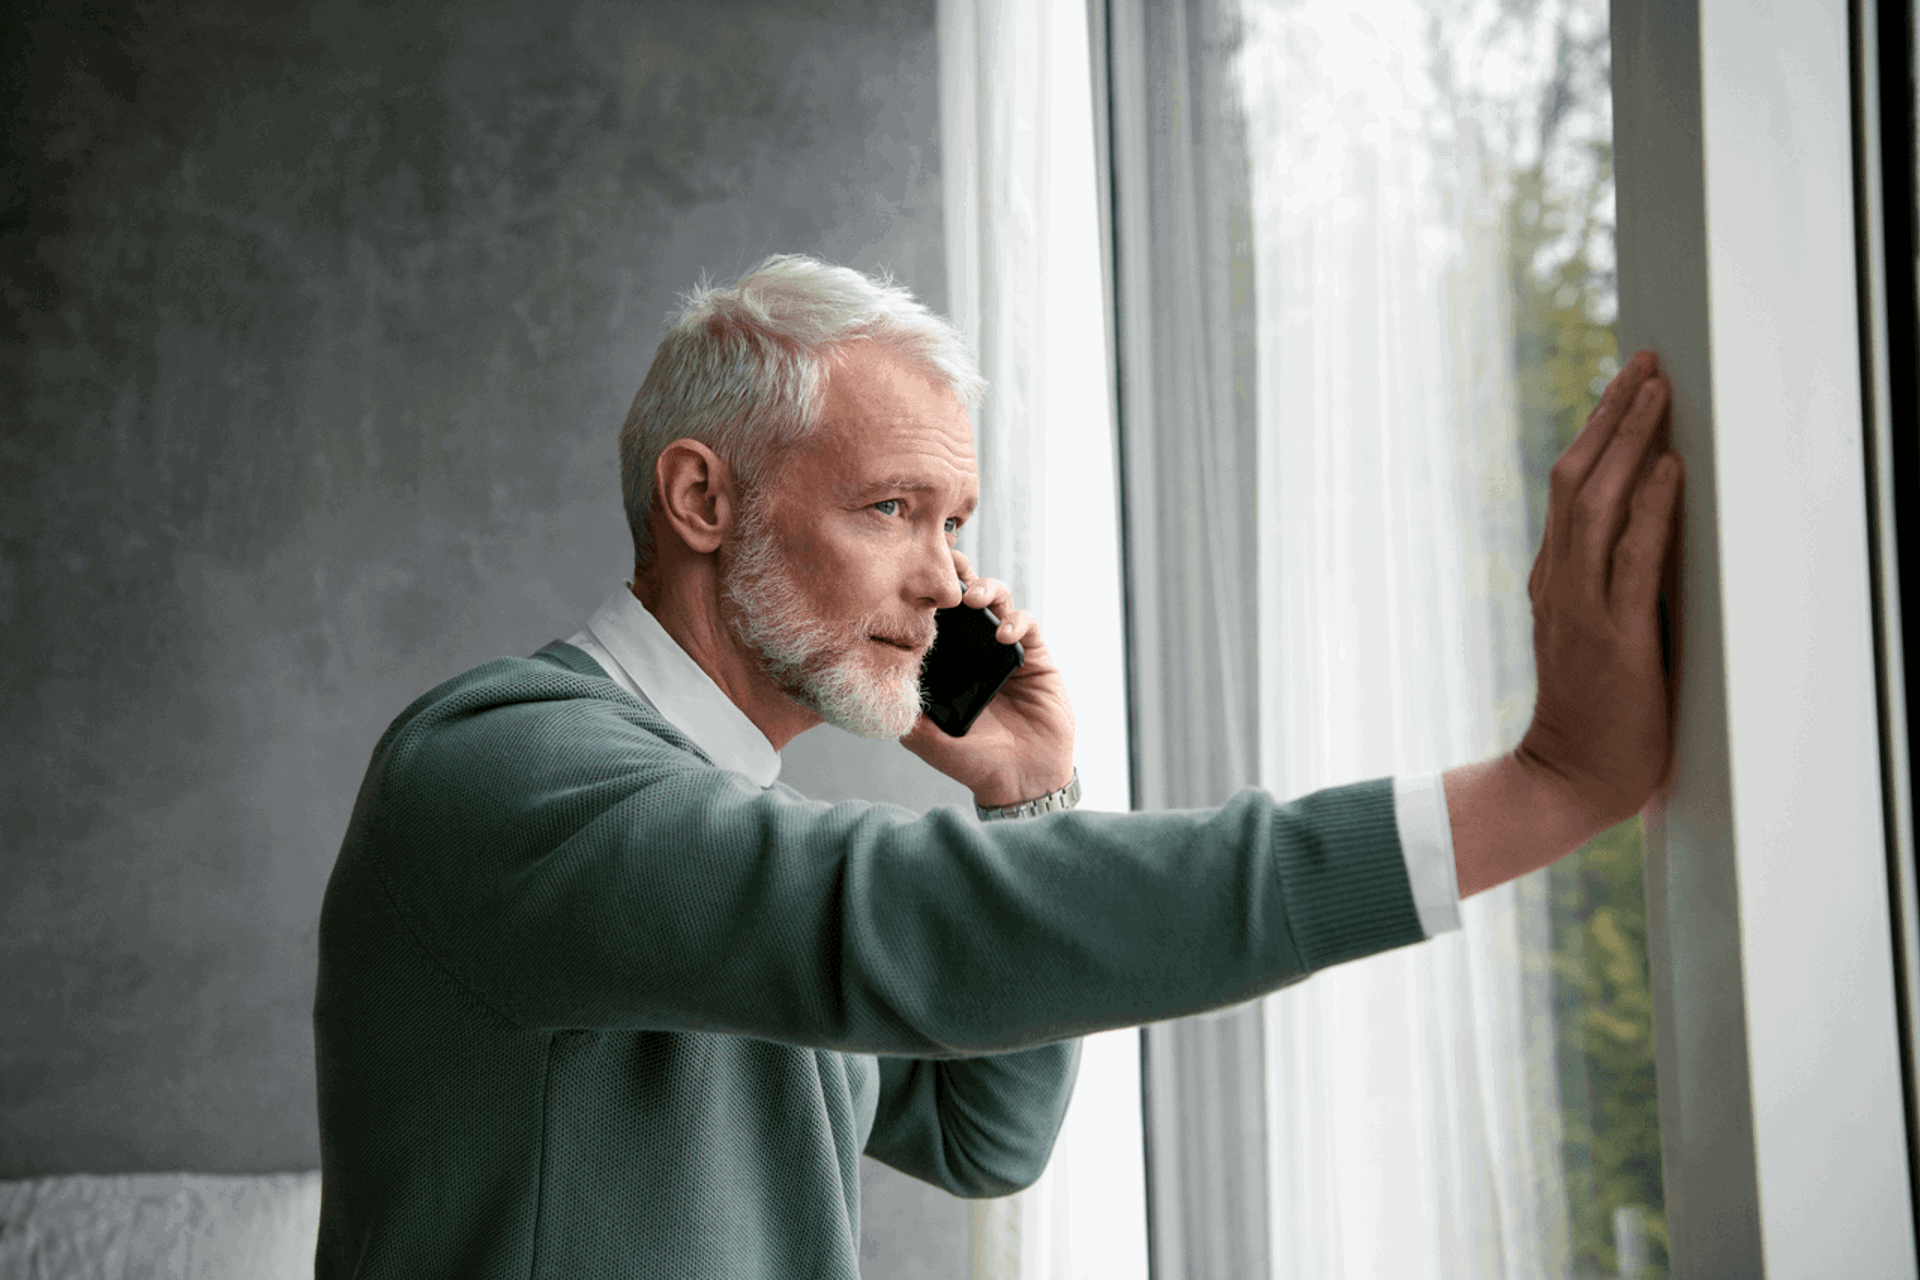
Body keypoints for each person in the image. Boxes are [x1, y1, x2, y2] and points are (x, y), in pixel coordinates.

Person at [313, 255, 1682, 1278]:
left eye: (956, 520)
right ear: (701, 499)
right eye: (891, 509)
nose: (946, 580)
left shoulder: (719, 824)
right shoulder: (501, 771)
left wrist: (1028, 796)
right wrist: (1545, 785)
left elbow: (985, 1140)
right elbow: (907, 924)